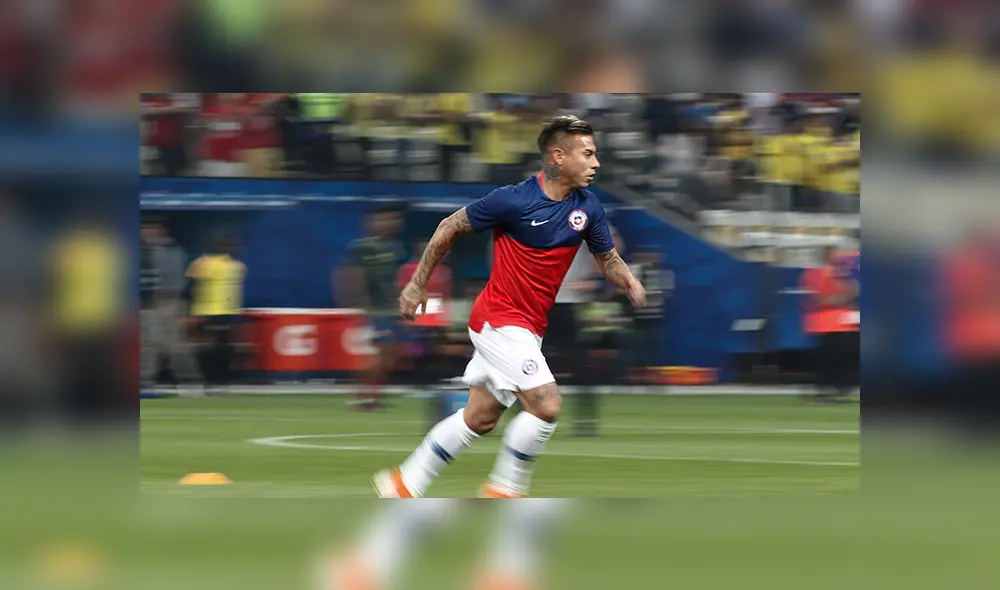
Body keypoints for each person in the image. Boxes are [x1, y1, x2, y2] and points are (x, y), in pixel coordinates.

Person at [374, 115, 647, 499]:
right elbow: (449, 226)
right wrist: (416, 283)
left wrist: (630, 281)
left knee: (480, 418)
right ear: (558, 156)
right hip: (498, 321)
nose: (595, 163)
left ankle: (403, 483)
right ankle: (504, 490)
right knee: (547, 404)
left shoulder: (588, 207)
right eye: (587, 154)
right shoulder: (513, 199)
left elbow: (607, 258)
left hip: (527, 328)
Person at [340, 205, 407, 410]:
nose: (390, 223)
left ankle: (373, 396)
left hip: (392, 309)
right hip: (375, 311)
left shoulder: (396, 248)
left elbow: (399, 279)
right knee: (378, 355)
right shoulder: (361, 247)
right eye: (384, 219)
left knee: (390, 357)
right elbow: (350, 275)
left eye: (394, 219)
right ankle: (363, 397)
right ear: (372, 222)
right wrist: (360, 305)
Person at [185, 235, 246, 394]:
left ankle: (219, 380)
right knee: (213, 347)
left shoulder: (234, 266)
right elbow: (190, 290)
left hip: (221, 312)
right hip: (211, 311)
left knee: (220, 348)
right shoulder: (204, 264)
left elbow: (190, 289)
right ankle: (213, 380)